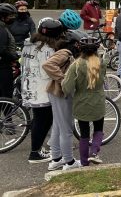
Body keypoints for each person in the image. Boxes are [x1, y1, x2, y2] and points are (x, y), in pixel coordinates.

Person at [21, 18, 64, 164]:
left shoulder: (28, 43)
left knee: (40, 119)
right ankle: (35, 153)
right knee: (42, 121)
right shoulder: (47, 49)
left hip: (28, 86)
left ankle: (38, 148)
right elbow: (47, 71)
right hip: (41, 90)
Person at [42, 29, 85, 171]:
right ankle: (69, 161)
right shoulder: (65, 53)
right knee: (67, 128)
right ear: (75, 43)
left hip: (55, 93)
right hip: (60, 93)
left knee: (58, 126)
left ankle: (56, 159)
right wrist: (64, 80)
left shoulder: (69, 52)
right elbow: (48, 65)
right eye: (80, 43)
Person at [62, 36, 105, 167]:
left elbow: (67, 88)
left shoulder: (76, 65)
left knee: (84, 133)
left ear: (80, 48)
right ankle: (94, 152)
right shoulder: (101, 63)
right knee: (98, 129)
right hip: (98, 101)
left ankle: (84, 162)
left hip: (81, 103)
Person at [0, 3, 19, 98]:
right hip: (3, 68)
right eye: (10, 15)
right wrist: (14, 57)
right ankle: (8, 113)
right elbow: (1, 49)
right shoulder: (1, 30)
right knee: (6, 96)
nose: (13, 18)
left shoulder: (3, 27)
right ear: (2, 17)